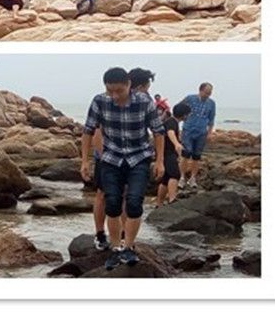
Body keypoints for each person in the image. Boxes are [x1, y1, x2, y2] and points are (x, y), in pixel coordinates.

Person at [81, 66, 165, 270]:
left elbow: (158, 132)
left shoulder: (144, 102)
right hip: (111, 158)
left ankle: (128, 247)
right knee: (112, 203)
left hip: (139, 158)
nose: (114, 96)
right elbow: (88, 130)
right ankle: (115, 248)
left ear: (129, 85)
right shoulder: (100, 101)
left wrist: (160, 161)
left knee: (134, 202)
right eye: (110, 91)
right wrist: (85, 161)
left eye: (119, 91)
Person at [179, 82, 216, 189]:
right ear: (200, 90)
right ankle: (182, 177)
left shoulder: (211, 103)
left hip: (201, 133)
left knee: (196, 156)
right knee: (186, 154)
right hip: (188, 131)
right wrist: (180, 120)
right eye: (206, 92)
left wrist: (210, 133)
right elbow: (178, 108)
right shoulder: (190, 99)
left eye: (210, 93)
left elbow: (211, 119)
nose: (208, 95)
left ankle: (192, 178)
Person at [156, 101, 191, 206]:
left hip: (165, 153)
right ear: (184, 115)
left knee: (166, 179)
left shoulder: (171, 121)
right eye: (188, 114)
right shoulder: (172, 122)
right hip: (168, 153)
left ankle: (159, 203)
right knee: (175, 175)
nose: (189, 116)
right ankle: (172, 200)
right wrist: (176, 144)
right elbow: (170, 132)